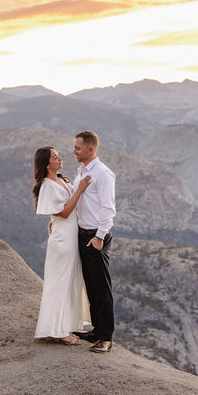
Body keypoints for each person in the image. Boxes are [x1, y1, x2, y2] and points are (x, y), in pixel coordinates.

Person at [32, 146, 91, 345]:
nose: (60, 159)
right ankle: (58, 330)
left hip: (70, 237)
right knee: (59, 285)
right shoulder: (48, 185)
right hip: (63, 241)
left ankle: (64, 326)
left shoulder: (62, 180)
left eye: (58, 156)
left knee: (69, 283)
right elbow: (64, 212)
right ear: (47, 164)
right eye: (55, 157)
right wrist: (80, 190)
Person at [72, 130, 117, 354]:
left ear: (90, 149)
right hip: (83, 234)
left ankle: (106, 337)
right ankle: (97, 331)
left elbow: (108, 208)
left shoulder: (103, 174)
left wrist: (99, 237)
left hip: (94, 236)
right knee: (91, 284)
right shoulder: (81, 172)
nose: (74, 151)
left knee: (102, 287)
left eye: (78, 148)